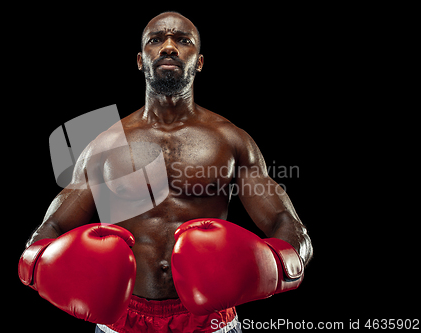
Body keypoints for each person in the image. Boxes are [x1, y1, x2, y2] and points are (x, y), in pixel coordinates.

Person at [19, 11, 313, 333]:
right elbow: (53, 227)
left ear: (199, 62)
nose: (168, 47)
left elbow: (287, 225)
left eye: (183, 41)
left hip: (209, 319)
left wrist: (278, 265)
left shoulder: (231, 140)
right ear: (140, 60)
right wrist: (36, 266)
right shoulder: (104, 146)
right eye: (155, 40)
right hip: (123, 317)